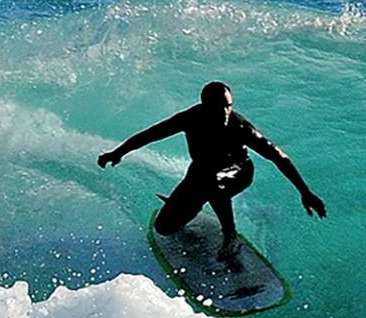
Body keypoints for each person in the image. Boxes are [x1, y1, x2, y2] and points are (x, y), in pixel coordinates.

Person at [98, 81, 326, 245]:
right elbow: (151, 134)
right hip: (200, 173)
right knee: (164, 228)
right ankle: (193, 203)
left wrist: (305, 192)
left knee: (212, 185)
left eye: (229, 106)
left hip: (238, 171)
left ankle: (230, 235)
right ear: (204, 106)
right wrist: (118, 152)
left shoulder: (240, 128)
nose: (226, 112)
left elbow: (279, 157)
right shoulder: (190, 118)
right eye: (219, 107)